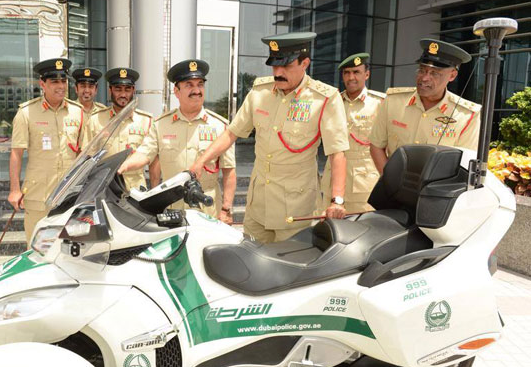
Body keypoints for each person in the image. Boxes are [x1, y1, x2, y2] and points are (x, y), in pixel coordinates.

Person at [189, 32, 349, 243]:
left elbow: (337, 153)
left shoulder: (324, 98)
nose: (278, 72)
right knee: (250, 260)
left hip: (295, 209)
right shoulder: (259, 93)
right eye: (274, 66)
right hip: (258, 206)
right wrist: (201, 161)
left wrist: (336, 200)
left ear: (305, 63)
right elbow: (231, 133)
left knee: (289, 266)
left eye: (286, 66)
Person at [119, 59, 237, 224]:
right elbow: (145, 154)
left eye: (200, 84)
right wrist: (122, 166)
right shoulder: (161, 124)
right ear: (176, 91)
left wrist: (226, 209)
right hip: (172, 207)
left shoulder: (220, 126)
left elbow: (229, 172)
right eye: (189, 85)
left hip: (208, 210)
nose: (196, 90)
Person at [8, 58, 91, 245]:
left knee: (69, 247)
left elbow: (84, 154)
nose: (61, 86)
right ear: (42, 84)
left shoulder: (77, 112)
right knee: (36, 247)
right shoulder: (26, 113)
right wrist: (14, 189)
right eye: (54, 82)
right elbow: (16, 154)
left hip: (69, 195)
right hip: (38, 194)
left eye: (63, 81)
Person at [369, 39, 481, 174]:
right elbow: (376, 146)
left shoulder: (467, 115)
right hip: (393, 189)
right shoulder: (393, 101)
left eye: (434, 73)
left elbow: (464, 164)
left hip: (436, 192)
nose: (424, 78)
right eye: (422, 70)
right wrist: (390, 180)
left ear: (452, 75)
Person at [320, 53, 383, 214]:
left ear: (366, 74)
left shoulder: (380, 104)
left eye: (356, 72)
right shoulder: (333, 103)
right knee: (328, 232)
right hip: (331, 184)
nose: (351, 77)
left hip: (363, 187)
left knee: (362, 231)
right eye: (347, 73)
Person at [91, 68, 153, 190]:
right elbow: (88, 159)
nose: (123, 94)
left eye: (127, 89)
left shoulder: (146, 121)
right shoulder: (95, 119)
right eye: (118, 89)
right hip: (105, 188)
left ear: (133, 90)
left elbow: (153, 161)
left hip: (136, 189)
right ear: (110, 90)